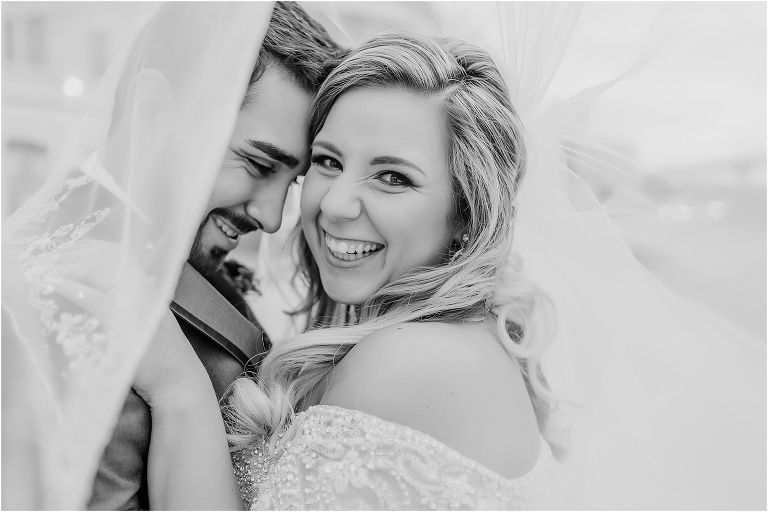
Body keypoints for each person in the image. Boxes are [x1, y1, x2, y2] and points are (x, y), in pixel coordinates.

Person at [131, 30, 559, 510]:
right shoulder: (459, 338)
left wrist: (177, 388)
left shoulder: (414, 362)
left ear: (467, 212)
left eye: (391, 177)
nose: (334, 204)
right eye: (328, 162)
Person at [2, 2, 341, 509]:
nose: (272, 218)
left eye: (290, 184)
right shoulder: (74, 289)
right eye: (257, 163)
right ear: (153, 111)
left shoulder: (162, 259)